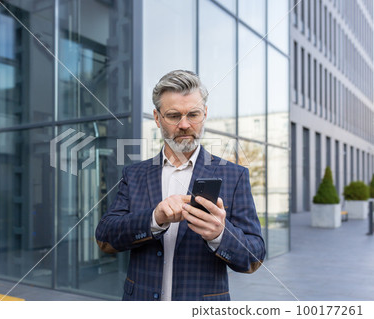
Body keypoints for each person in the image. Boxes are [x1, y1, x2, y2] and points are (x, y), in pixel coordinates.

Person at [95, 70, 265, 301]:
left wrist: (219, 234)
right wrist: (155, 218)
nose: (185, 125)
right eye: (174, 116)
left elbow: (254, 257)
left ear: (204, 114)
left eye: (193, 114)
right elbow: (105, 238)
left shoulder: (234, 176)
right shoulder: (134, 174)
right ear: (157, 118)